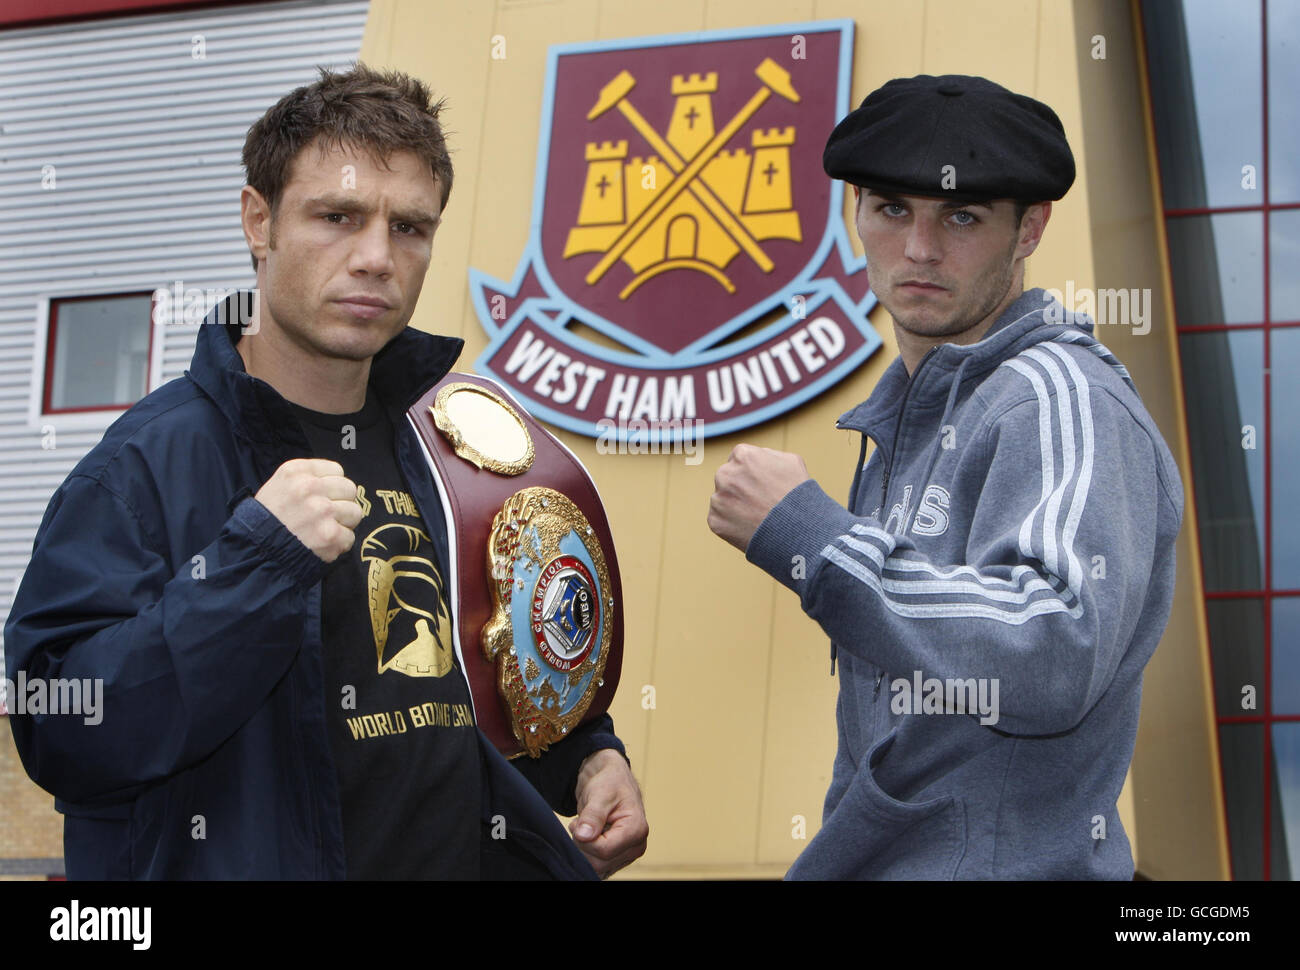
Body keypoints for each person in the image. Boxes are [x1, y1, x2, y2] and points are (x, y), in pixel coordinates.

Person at [4, 64, 647, 880]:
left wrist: (587, 756)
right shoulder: (143, 468)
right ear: (258, 221)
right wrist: (254, 564)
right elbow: (63, 730)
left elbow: (497, 660)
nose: (376, 258)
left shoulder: (452, 442)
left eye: (409, 228)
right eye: (338, 217)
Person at [707, 74, 1183, 879]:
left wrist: (816, 539)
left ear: (1030, 228)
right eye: (893, 209)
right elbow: (888, 746)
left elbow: (1056, 644)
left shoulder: (1059, 395)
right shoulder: (904, 421)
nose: (920, 249)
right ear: (856, 213)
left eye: (961, 217)